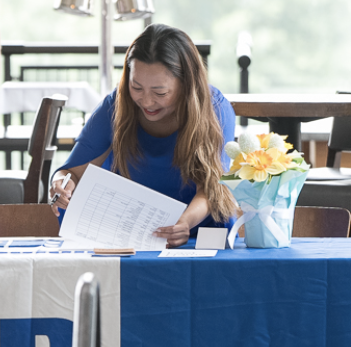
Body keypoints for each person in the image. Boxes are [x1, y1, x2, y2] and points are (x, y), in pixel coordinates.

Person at [49, 24, 238, 247]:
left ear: (187, 84)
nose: (146, 102)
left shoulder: (215, 108)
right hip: (129, 233)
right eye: (136, 87)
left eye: (160, 93)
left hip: (199, 231)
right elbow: (71, 172)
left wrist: (184, 223)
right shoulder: (115, 106)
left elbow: (212, 188)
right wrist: (60, 185)